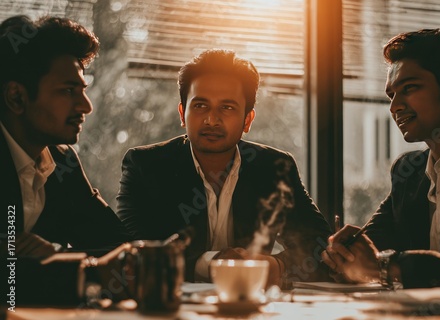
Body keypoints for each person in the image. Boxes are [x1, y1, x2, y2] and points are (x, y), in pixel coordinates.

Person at [117, 49, 332, 287]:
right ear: (182, 113)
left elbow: (319, 244)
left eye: (227, 108)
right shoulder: (146, 166)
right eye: (200, 106)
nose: (211, 120)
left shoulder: (273, 168)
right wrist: (213, 264)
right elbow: (131, 250)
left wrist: (275, 266)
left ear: (247, 120)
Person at [321, 29, 440, 289]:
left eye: (409, 88)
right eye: (391, 95)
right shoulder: (409, 171)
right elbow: (372, 244)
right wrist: (345, 257)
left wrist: (390, 267)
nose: (395, 107)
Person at [0, 15, 131, 305]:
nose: (86, 105)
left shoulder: (61, 160)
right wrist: (88, 271)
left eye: (83, 90)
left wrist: (57, 255)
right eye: (68, 91)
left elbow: (118, 246)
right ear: (16, 97)